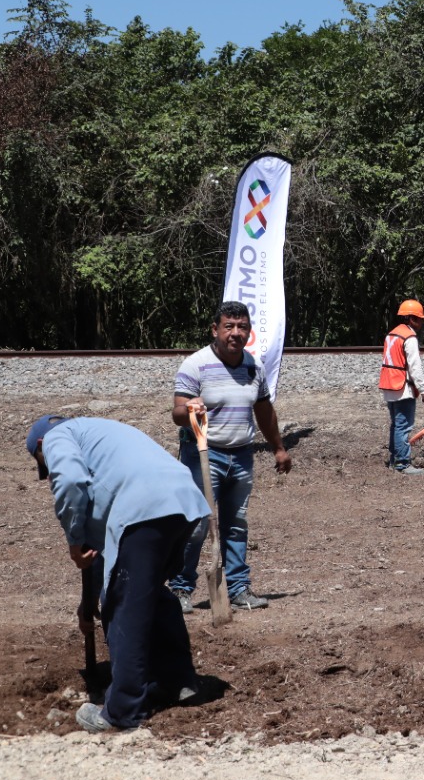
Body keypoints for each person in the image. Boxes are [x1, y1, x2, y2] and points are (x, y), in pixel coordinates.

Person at [26, 415, 210, 733]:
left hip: (145, 507)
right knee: (150, 595)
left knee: (124, 605)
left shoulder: (56, 437)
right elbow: (101, 560)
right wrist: (88, 604)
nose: (49, 468)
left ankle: (121, 711)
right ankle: (178, 681)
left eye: (44, 463)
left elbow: (69, 481)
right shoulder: (102, 436)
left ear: (41, 446)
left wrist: (72, 540)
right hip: (184, 501)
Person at [168, 301, 292, 612]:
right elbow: (177, 414)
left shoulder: (253, 367)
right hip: (203, 455)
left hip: (242, 456)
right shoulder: (195, 365)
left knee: (236, 524)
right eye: (229, 327)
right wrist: (190, 410)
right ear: (215, 329)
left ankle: (238, 588)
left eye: (242, 327)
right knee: (197, 524)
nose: (235, 333)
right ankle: (180, 589)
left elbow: (264, 412)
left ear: (249, 331)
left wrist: (278, 446)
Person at [380, 299, 424, 475]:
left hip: (390, 386)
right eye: (419, 319)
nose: (421, 323)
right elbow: (415, 366)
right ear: (410, 319)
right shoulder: (409, 337)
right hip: (402, 387)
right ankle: (402, 463)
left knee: (396, 425)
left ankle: (394, 460)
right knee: (403, 426)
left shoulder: (392, 334)